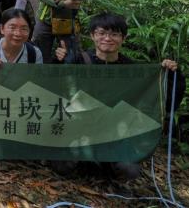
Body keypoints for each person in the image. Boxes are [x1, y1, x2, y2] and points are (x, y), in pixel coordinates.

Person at [51, 12, 185, 180]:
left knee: (129, 170)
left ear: (123, 38)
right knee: (62, 165)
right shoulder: (78, 60)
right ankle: (88, 164)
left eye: (114, 34)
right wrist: (59, 61)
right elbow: (55, 87)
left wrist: (172, 73)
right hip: (80, 130)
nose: (107, 38)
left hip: (115, 135)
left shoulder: (132, 70)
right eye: (102, 33)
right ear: (93, 35)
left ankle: (104, 169)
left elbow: (163, 99)